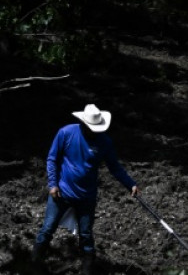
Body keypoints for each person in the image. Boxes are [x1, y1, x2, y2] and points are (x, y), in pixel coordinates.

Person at [33, 104, 140, 273]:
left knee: (86, 235)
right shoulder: (66, 133)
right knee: (47, 229)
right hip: (62, 192)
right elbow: (52, 159)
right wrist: (53, 184)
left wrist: (130, 184)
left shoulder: (104, 142)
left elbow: (115, 167)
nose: (94, 132)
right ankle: (34, 265)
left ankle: (86, 270)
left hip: (86, 197)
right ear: (83, 123)